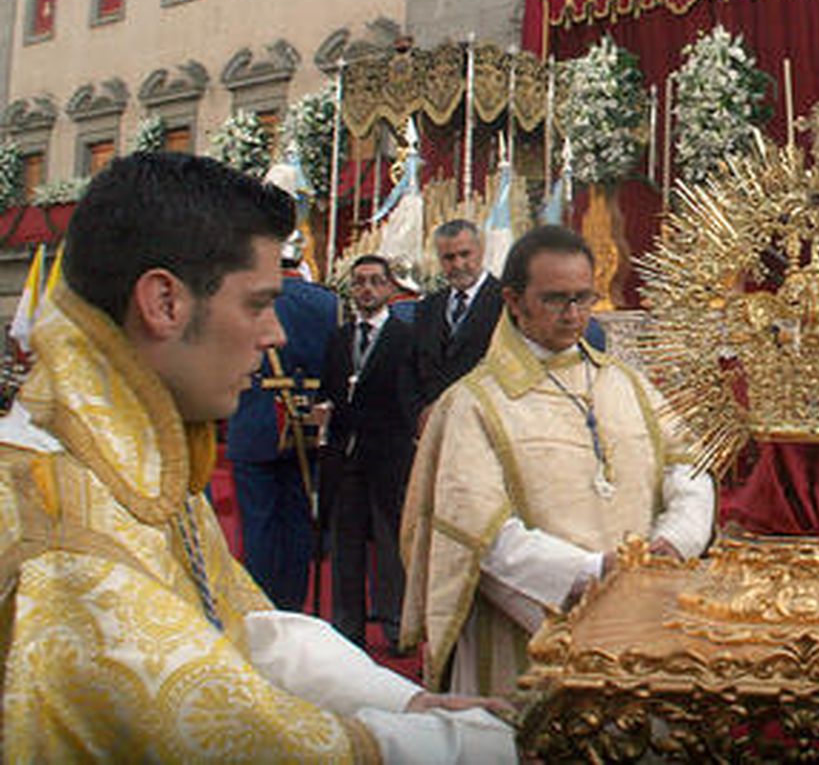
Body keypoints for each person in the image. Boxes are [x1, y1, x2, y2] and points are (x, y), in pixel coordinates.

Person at [0, 153, 513, 762]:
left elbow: (237, 625)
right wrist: (464, 748)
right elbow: (214, 726)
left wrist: (401, 703)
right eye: (257, 303)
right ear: (164, 302)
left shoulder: (134, 454)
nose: (275, 334)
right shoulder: (51, 515)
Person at [400, 225, 714, 696]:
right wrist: (590, 571)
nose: (573, 316)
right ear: (512, 299)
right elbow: (478, 532)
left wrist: (673, 543)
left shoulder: (628, 385)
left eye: (583, 298)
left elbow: (688, 468)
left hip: (640, 619)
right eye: (555, 299)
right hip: (527, 635)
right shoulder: (471, 403)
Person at [225, 231, 337, 610]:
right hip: (307, 418)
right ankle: (293, 602)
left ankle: (260, 601)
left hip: (256, 416)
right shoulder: (326, 302)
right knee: (298, 519)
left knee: (258, 522)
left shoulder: (253, 299)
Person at [319, 254, 420, 652]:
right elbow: (328, 389)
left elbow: (412, 396)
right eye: (359, 282)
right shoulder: (339, 338)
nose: (367, 289)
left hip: (388, 454)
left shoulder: (405, 338)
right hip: (346, 454)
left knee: (391, 543)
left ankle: (396, 626)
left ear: (390, 288)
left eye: (375, 281)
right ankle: (347, 627)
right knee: (345, 543)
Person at [413, 220, 502, 406]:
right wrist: (419, 414)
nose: (458, 264)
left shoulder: (507, 303)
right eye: (449, 257)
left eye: (465, 254)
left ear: (481, 250)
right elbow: (410, 368)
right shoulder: (427, 307)